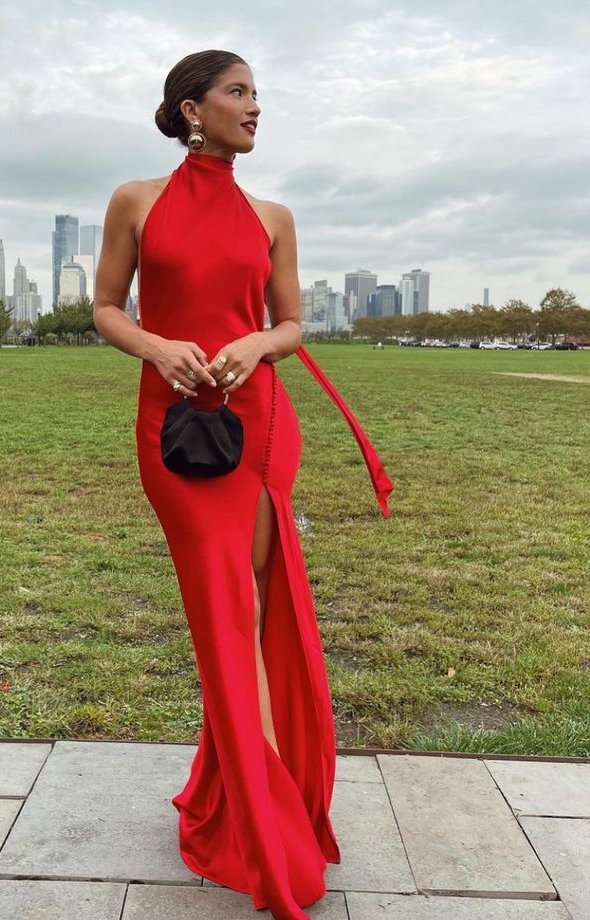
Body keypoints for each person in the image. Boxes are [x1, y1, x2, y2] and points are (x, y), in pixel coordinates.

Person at [94, 50, 393, 919]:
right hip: (176, 433)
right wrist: (158, 346)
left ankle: (249, 795)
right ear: (193, 109)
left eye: (258, 94)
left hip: (260, 428)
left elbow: (292, 321)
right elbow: (108, 306)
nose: (256, 108)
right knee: (220, 608)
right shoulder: (136, 201)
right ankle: (256, 804)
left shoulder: (273, 216)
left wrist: (258, 344)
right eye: (239, 93)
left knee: (253, 610)